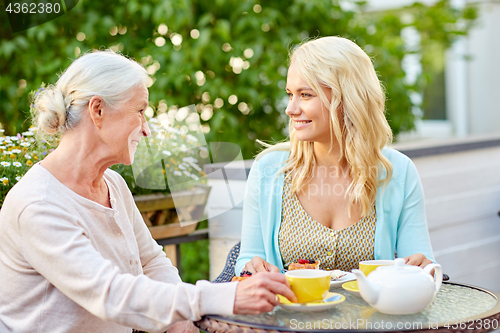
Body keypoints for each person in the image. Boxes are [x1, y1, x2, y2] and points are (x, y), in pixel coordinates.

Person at [0, 50, 296, 333]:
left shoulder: (113, 184)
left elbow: (152, 262)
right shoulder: (38, 204)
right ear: (98, 110)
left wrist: (182, 319)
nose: (146, 129)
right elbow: (110, 294)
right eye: (140, 111)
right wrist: (225, 297)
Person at [235, 36, 435, 276]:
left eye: (305, 95)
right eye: (290, 94)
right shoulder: (268, 170)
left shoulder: (398, 171)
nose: (290, 109)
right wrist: (250, 268)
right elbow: (248, 258)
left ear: (347, 98)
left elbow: (419, 262)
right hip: (290, 313)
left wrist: (424, 268)